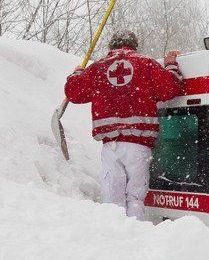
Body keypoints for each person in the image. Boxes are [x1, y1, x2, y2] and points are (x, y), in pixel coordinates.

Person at [65, 30, 184, 220]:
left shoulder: (98, 68)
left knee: (113, 203)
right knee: (135, 198)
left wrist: (77, 72)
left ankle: (115, 233)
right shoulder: (146, 64)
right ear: (134, 45)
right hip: (139, 146)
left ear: (111, 46)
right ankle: (135, 232)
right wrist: (171, 65)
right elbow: (171, 88)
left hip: (110, 147)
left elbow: (73, 92)